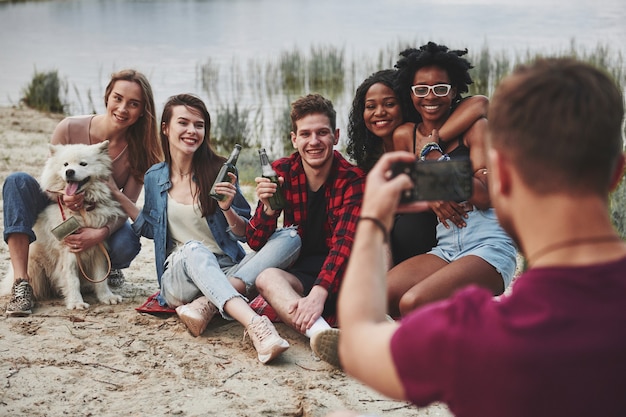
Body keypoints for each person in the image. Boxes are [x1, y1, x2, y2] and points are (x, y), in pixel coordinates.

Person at [317, 57, 626, 417]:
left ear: (504, 175)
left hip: (482, 252)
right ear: (616, 173)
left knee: (412, 303)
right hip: (448, 248)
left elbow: (359, 346)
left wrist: (372, 219)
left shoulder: (476, 337)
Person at [114, 93, 301, 364]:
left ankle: (208, 304)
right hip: (179, 278)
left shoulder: (220, 170)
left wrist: (226, 208)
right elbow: (149, 228)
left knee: (291, 236)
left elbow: (245, 234)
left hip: (226, 268)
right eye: (184, 123)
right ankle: (255, 325)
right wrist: (116, 195)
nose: (192, 131)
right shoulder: (155, 176)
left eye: (199, 125)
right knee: (193, 248)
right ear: (166, 128)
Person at [3, 69, 163, 316]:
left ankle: (105, 270)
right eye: (118, 98)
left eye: (133, 104)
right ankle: (22, 283)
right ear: (107, 96)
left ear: (143, 110)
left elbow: (125, 207)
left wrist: (99, 234)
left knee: (128, 240)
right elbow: (52, 176)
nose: (122, 108)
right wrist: (62, 196)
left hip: (99, 212)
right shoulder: (69, 127)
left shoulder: (139, 150)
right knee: (17, 181)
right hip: (55, 206)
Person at [386, 42, 517, 316]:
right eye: (421, 89)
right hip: (445, 247)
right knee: (382, 293)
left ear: (453, 90)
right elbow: (405, 191)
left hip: (487, 243)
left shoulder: (475, 128)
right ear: (411, 94)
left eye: (440, 88)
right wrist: (433, 191)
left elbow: (484, 196)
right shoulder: (404, 135)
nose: (430, 96)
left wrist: (434, 158)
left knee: (412, 302)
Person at [247, 93, 365, 354]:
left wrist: (319, 294)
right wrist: (267, 211)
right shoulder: (282, 172)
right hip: (301, 274)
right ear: (294, 139)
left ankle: (319, 328)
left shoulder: (353, 180)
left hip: (343, 274)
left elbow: (345, 245)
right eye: (305, 134)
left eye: (322, 133)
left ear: (335, 136)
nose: (314, 141)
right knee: (266, 277)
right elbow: (255, 242)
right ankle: (322, 335)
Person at [346, 68, 489, 266]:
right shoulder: (369, 157)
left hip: (435, 241)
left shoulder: (415, 135)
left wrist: (431, 144)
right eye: (371, 106)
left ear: (405, 103)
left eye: (389, 104)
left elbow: (480, 103)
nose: (380, 112)